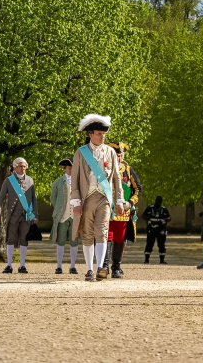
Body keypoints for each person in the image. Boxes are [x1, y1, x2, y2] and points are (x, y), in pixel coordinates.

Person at [70, 114, 124, 281]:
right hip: (86, 198)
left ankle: (101, 267)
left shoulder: (110, 152)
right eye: (99, 133)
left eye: (104, 134)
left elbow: (116, 178)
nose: (102, 136)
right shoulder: (80, 153)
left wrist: (119, 199)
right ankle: (89, 270)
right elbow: (75, 179)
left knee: (102, 232)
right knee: (87, 234)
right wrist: (76, 201)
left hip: (104, 199)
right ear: (90, 134)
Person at [0, 157, 38, 274]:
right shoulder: (9, 180)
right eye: (20, 166)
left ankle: (22, 265)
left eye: (24, 166)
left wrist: (35, 215)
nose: (23, 168)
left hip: (26, 215)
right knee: (10, 239)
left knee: (24, 239)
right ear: (14, 167)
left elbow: (34, 199)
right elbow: (1, 197)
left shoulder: (30, 180)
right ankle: (9, 265)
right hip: (13, 215)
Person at [105, 141, 140, 278]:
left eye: (120, 155)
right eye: (116, 155)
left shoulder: (128, 169)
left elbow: (138, 189)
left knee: (120, 238)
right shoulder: (104, 167)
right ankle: (104, 266)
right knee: (107, 237)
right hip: (107, 210)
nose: (118, 158)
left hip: (123, 212)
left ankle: (116, 267)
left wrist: (130, 203)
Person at [50, 158, 80, 274]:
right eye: (69, 167)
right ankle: (59, 266)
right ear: (65, 168)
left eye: (73, 167)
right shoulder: (58, 182)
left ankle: (73, 266)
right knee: (61, 241)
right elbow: (53, 198)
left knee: (74, 241)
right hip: (62, 216)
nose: (71, 170)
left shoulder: (79, 182)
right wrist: (60, 208)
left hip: (75, 216)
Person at [143, 195, 171, 264]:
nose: (158, 203)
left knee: (161, 244)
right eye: (157, 201)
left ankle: (162, 260)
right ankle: (146, 259)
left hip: (161, 229)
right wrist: (148, 218)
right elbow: (143, 216)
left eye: (160, 201)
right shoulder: (150, 208)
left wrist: (165, 220)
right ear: (155, 201)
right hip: (151, 229)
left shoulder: (163, 209)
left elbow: (169, 217)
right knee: (149, 244)